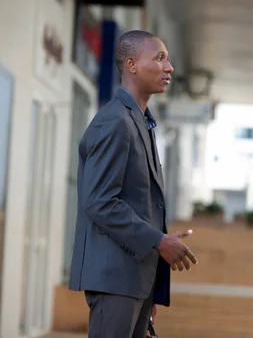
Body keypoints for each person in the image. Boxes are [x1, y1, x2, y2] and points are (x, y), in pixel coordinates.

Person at [68, 30, 198, 337]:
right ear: (132, 65)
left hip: (135, 279)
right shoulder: (114, 121)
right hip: (114, 279)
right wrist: (158, 241)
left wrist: (150, 283)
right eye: (160, 58)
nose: (170, 67)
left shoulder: (141, 121)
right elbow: (99, 201)